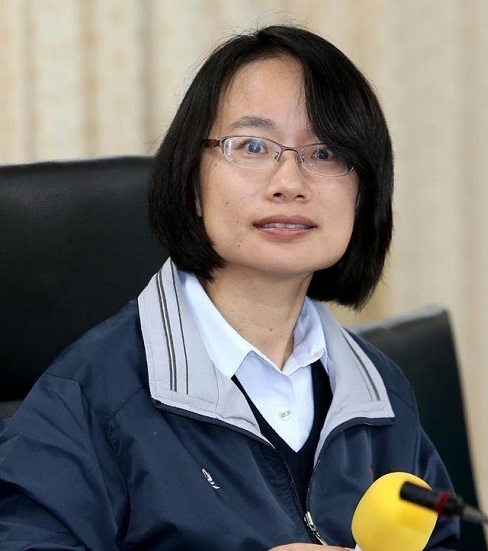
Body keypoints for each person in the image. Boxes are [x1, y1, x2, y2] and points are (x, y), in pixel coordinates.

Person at [0, 25, 458, 550]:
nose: (289, 183)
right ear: (193, 184)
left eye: (326, 153)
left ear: (362, 194)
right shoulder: (93, 394)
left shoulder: (381, 397)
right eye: (253, 146)